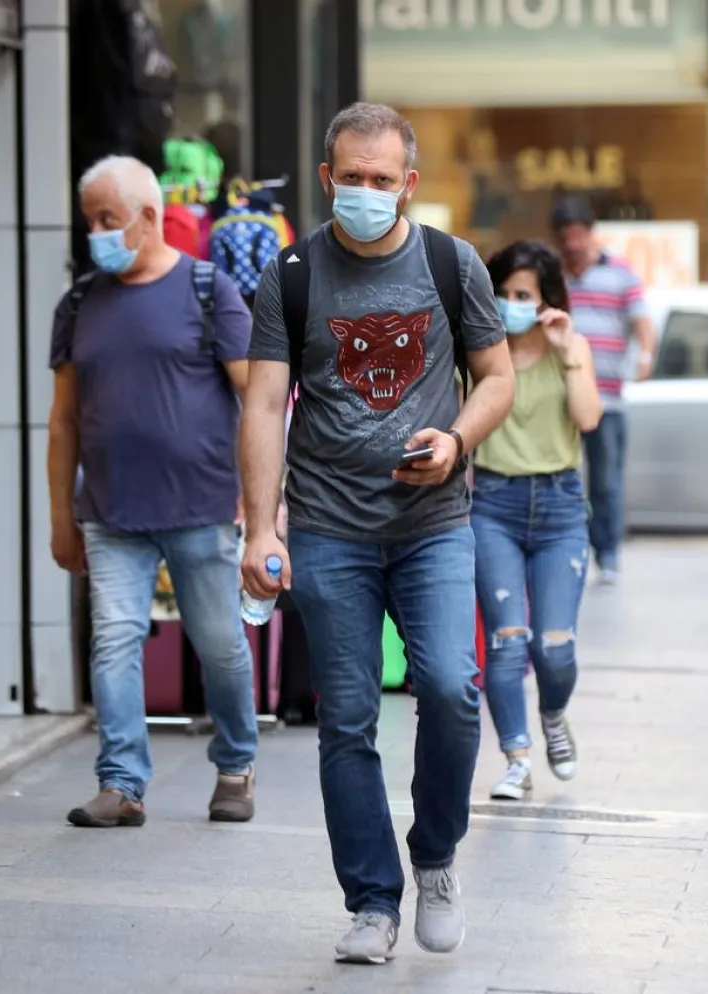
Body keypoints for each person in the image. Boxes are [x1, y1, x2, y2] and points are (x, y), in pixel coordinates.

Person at [238, 103, 516, 964]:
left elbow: (497, 376)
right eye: (349, 178)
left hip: (433, 524)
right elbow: (261, 403)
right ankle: (371, 901)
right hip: (327, 528)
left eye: (381, 180)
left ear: (409, 184)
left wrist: (459, 438)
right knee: (347, 718)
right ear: (327, 178)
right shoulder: (291, 274)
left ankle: (434, 856)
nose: (364, 192)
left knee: (448, 687)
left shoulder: (449, 262)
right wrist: (257, 529)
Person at [47, 155, 260, 829]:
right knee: (113, 639)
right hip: (110, 511)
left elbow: (258, 398)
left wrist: (264, 506)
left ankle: (235, 764)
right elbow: (63, 420)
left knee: (218, 642)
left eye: (109, 220)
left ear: (147, 216)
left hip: (200, 507)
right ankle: (121, 783)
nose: (97, 234)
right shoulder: (79, 303)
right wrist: (60, 517)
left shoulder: (208, 289)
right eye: (91, 222)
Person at [475, 241, 603, 801]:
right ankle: (516, 759)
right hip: (492, 506)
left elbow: (589, 418)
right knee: (506, 642)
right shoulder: (478, 351)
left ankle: (553, 713)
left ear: (547, 300)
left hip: (559, 509)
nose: (510, 304)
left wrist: (566, 348)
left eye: (522, 295)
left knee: (554, 648)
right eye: (501, 293)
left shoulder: (570, 348)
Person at [551, 196, 655, 586]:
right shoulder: (551, 277)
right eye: (566, 237)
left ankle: (608, 554)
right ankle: (568, 545)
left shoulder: (622, 274)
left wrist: (644, 356)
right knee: (563, 475)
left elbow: (642, 322)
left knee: (606, 481)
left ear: (591, 233)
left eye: (579, 234)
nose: (574, 243)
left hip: (608, 397)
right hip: (559, 400)